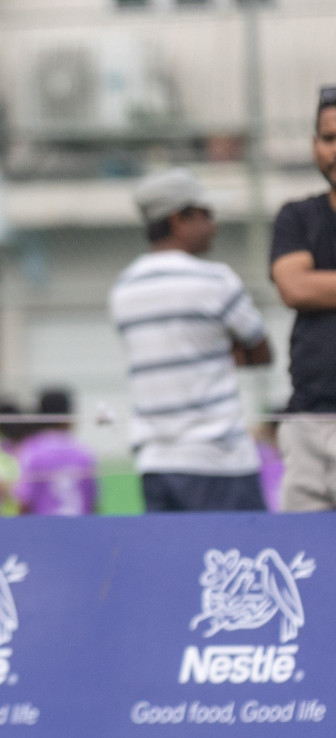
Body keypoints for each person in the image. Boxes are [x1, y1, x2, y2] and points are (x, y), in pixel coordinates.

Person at [109, 167, 269, 512]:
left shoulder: (124, 287)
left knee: (173, 564)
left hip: (154, 462)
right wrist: (223, 350)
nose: (213, 226)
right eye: (205, 215)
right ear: (179, 219)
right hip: (219, 461)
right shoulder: (215, 280)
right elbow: (261, 350)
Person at [270, 85, 336, 512]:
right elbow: (294, 288)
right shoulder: (297, 217)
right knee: (305, 564)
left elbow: (309, 285)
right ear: (315, 145)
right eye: (329, 138)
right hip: (309, 419)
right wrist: (308, 286)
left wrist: (321, 284)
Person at [12, 390, 96, 517]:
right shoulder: (83, 452)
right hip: (79, 530)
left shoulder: (32, 450)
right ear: (67, 418)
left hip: (43, 530)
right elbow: (93, 503)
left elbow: (25, 501)